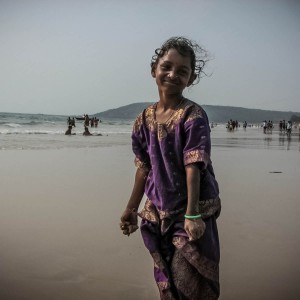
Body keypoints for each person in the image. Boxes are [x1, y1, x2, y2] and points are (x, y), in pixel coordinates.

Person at [120, 37, 221, 299]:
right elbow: (144, 167)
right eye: (166, 66)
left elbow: (194, 164)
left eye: (182, 71)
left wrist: (192, 214)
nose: (172, 74)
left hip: (190, 211)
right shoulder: (143, 119)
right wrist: (131, 209)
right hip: (157, 210)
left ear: (191, 78)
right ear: (154, 68)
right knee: (166, 278)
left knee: (189, 279)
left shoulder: (193, 115)